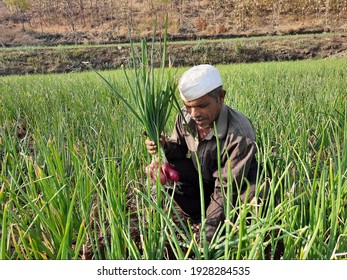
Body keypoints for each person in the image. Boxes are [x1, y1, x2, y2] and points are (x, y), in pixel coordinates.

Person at [145, 64, 259, 241]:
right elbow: (179, 150)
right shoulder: (185, 117)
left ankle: (221, 224)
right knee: (170, 171)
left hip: (234, 186)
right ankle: (199, 216)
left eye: (202, 106)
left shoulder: (239, 135)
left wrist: (207, 234)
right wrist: (164, 146)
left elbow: (225, 189)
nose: (194, 113)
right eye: (188, 106)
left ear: (221, 97)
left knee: (251, 198)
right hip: (205, 178)